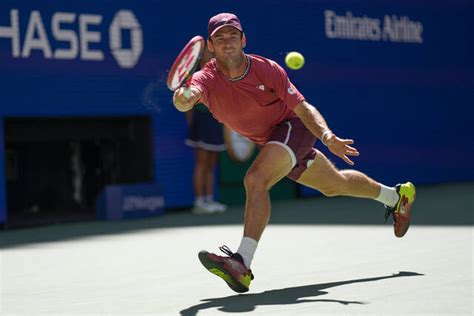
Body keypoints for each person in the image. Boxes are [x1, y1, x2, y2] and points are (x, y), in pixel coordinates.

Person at [173, 13, 416, 293]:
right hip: (272, 141)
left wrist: (326, 136)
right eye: (219, 37)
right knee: (335, 185)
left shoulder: (267, 69)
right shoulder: (206, 78)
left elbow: (303, 108)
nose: (226, 42)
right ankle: (396, 196)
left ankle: (242, 263)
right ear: (211, 48)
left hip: (293, 127)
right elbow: (186, 99)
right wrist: (183, 98)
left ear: (243, 40)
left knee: (255, 180)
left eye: (232, 36)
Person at [185, 47, 227, 215]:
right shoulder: (194, 76)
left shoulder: (219, 74)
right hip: (201, 120)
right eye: (209, 53)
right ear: (201, 57)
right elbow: (187, 102)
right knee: (202, 162)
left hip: (215, 120)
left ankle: (209, 199)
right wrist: (192, 123)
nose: (213, 55)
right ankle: (199, 201)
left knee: (211, 163)